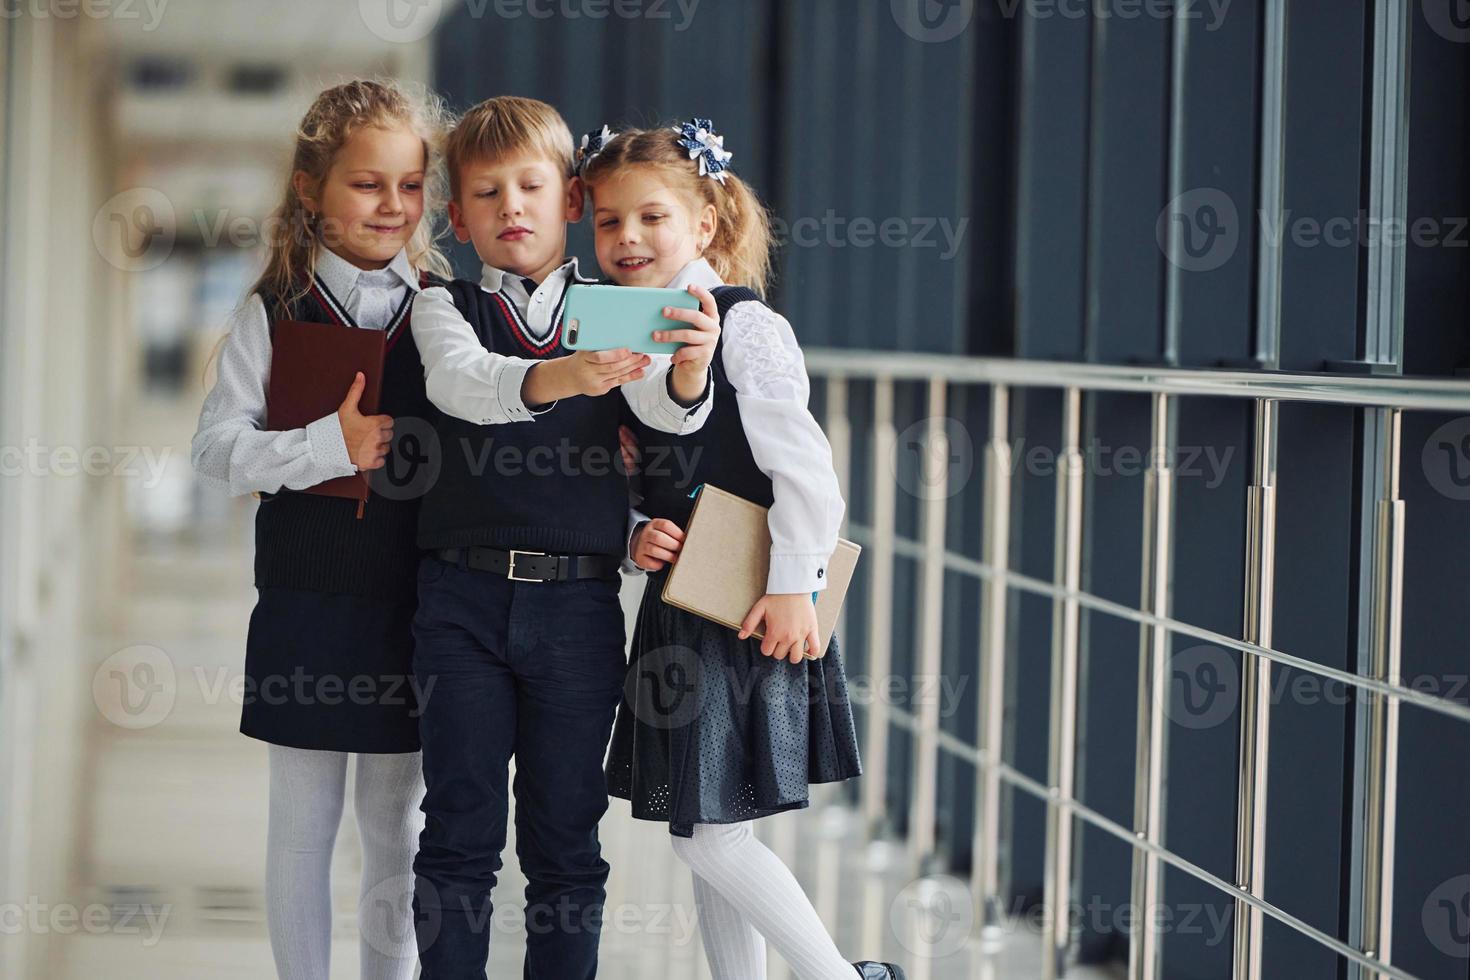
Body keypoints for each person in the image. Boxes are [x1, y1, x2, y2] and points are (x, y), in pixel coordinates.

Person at [405, 95, 719, 979]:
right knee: (459, 831)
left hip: (579, 608)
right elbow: (465, 386)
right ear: (458, 216)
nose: (511, 206)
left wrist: (687, 371)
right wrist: (563, 376)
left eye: (530, 186)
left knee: (566, 838)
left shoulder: (617, 304)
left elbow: (662, 412)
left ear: (570, 201)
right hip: (458, 604)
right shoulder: (445, 305)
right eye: (486, 192)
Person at [583, 118, 905, 980]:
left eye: (651, 216)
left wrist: (796, 584)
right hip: (681, 602)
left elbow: (807, 469)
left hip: (746, 605)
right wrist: (630, 532)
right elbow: (628, 477)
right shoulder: (619, 338)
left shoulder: (746, 326)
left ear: (705, 226)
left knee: (709, 840)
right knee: (711, 824)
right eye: (608, 221)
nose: (627, 237)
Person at [190, 78, 452, 980]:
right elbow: (218, 452)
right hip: (305, 596)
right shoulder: (274, 310)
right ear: (311, 190)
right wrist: (321, 447)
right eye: (367, 184)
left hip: (418, 602)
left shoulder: (449, 311)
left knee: (396, 830)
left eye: (410, 185)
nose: (393, 206)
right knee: (303, 827)